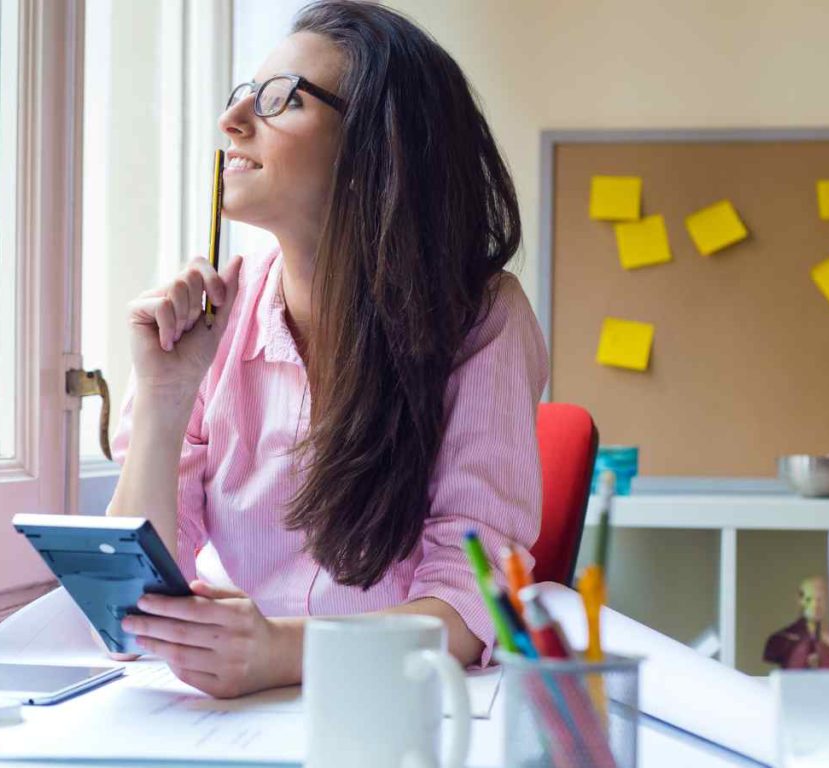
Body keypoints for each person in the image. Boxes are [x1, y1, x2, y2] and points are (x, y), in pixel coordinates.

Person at [106, 0, 548, 698]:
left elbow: (472, 605)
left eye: (279, 99)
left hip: (398, 708)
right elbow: (133, 605)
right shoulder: (212, 322)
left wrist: (282, 652)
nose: (233, 123)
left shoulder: (481, 318)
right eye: (242, 96)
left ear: (377, 145)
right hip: (229, 723)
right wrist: (164, 399)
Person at [763, 576, 829, 670]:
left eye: (820, 599)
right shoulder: (780, 639)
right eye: (809, 599)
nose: (815, 605)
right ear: (800, 600)